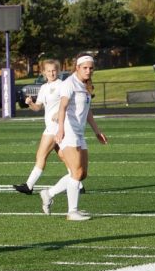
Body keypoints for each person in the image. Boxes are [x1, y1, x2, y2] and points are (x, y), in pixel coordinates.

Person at [40, 55, 108, 221]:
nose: (88, 71)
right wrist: (61, 129)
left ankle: (48, 193)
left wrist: (97, 131)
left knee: (82, 173)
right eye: (85, 68)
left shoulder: (86, 85)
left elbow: (88, 111)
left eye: (91, 68)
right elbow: (62, 108)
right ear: (77, 68)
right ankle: (72, 212)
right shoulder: (69, 83)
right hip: (68, 131)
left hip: (79, 132)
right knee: (76, 172)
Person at [13, 59, 70, 195]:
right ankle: (78, 183)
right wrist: (30, 103)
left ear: (58, 71)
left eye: (54, 70)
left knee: (41, 155)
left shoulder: (62, 85)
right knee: (64, 156)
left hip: (55, 126)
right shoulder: (44, 88)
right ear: (44, 72)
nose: (51, 73)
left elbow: (69, 102)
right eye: (48, 71)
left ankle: (29, 185)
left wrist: (59, 112)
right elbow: (38, 107)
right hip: (50, 125)